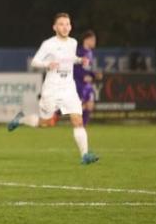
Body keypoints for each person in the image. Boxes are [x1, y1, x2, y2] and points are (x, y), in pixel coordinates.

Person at [7, 13, 99, 165]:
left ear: (70, 26)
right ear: (55, 27)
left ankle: (85, 155)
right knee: (46, 123)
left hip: (68, 87)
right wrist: (47, 64)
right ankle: (21, 119)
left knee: (77, 120)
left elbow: (70, 58)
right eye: (61, 24)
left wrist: (79, 60)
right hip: (52, 88)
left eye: (67, 24)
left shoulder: (73, 42)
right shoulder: (48, 44)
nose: (65, 27)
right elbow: (35, 62)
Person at [74, 30, 101, 127]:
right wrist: (83, 76)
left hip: (87, 84)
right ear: (87, 40)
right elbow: (74, 68)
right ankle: (78, 125)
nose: (94, 42)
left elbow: (87, 69)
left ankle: (82, 127)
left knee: (90, 105)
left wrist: (94, 75)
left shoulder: (90, 53)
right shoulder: (79, 52)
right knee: (81, 107)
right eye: (93, 40)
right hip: (79, 83)